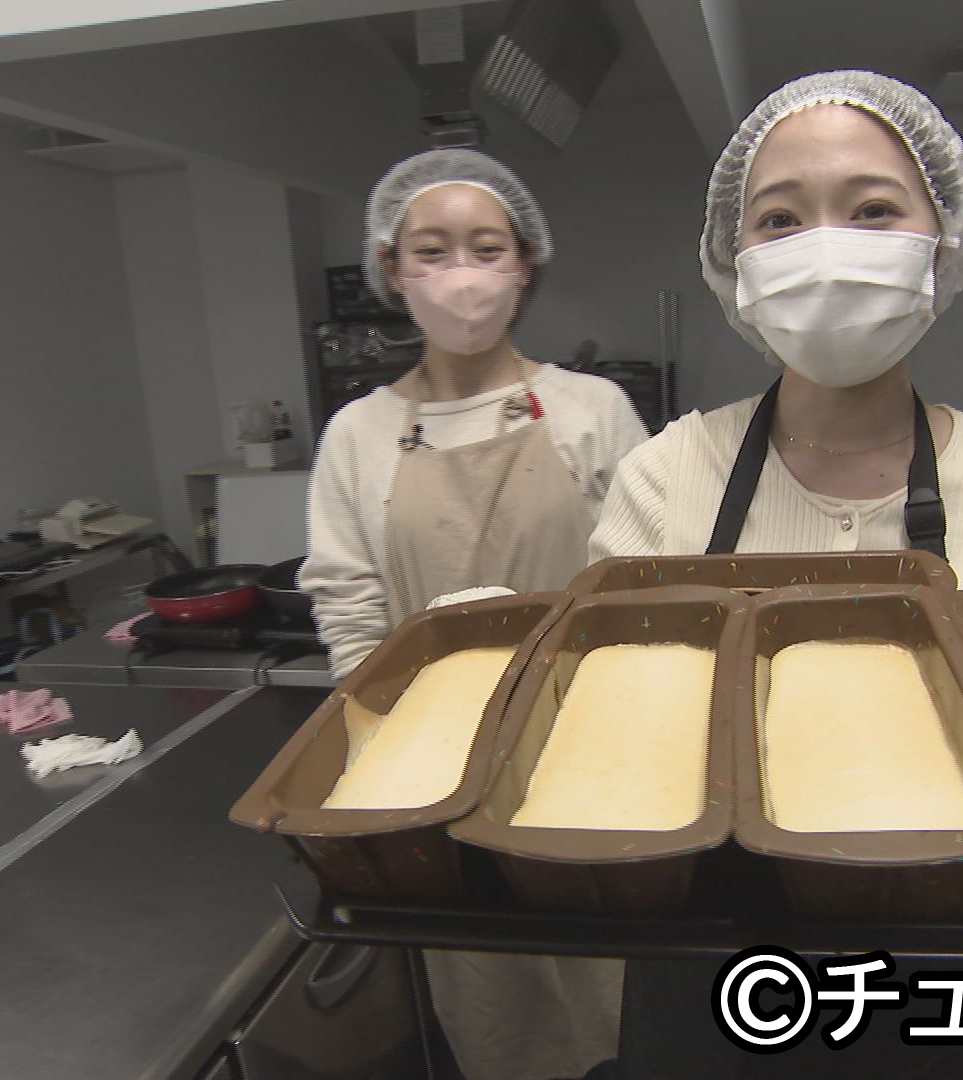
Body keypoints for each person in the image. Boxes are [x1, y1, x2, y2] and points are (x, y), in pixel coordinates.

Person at [589, 71, 963, 1078]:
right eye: (780, 219)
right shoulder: (664, 479)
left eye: (872, 210)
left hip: (928, 952)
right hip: (701, 953)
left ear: (943, 242)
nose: (826, 248)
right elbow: (614, 735)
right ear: (733, 262)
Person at [299, 147, 645, 1080]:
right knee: (490, 997)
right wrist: (384, 759)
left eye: (486, 248)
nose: (461, 273)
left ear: (525, 263)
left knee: (612, 989)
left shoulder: (591, 409)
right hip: (431, 773)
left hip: (588, 754)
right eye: (433, 249)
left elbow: (644, 586)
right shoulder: (359, 435)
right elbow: (349, 607)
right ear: (392, 268)